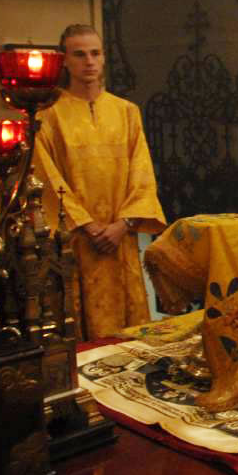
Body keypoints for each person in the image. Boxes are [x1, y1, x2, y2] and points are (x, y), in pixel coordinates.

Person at [34, 24, 166, 340]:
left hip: (120, 238)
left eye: (95, 53)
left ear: (104, 58)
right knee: (79, 330)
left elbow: (142, 172)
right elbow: (47, 177)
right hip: (77, 240)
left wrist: (123, 224)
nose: (89, 61)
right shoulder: (49, 115)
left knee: (128, 334)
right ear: (65, 60)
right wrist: (88, 225)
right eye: (79, 54)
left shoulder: (127, 112)